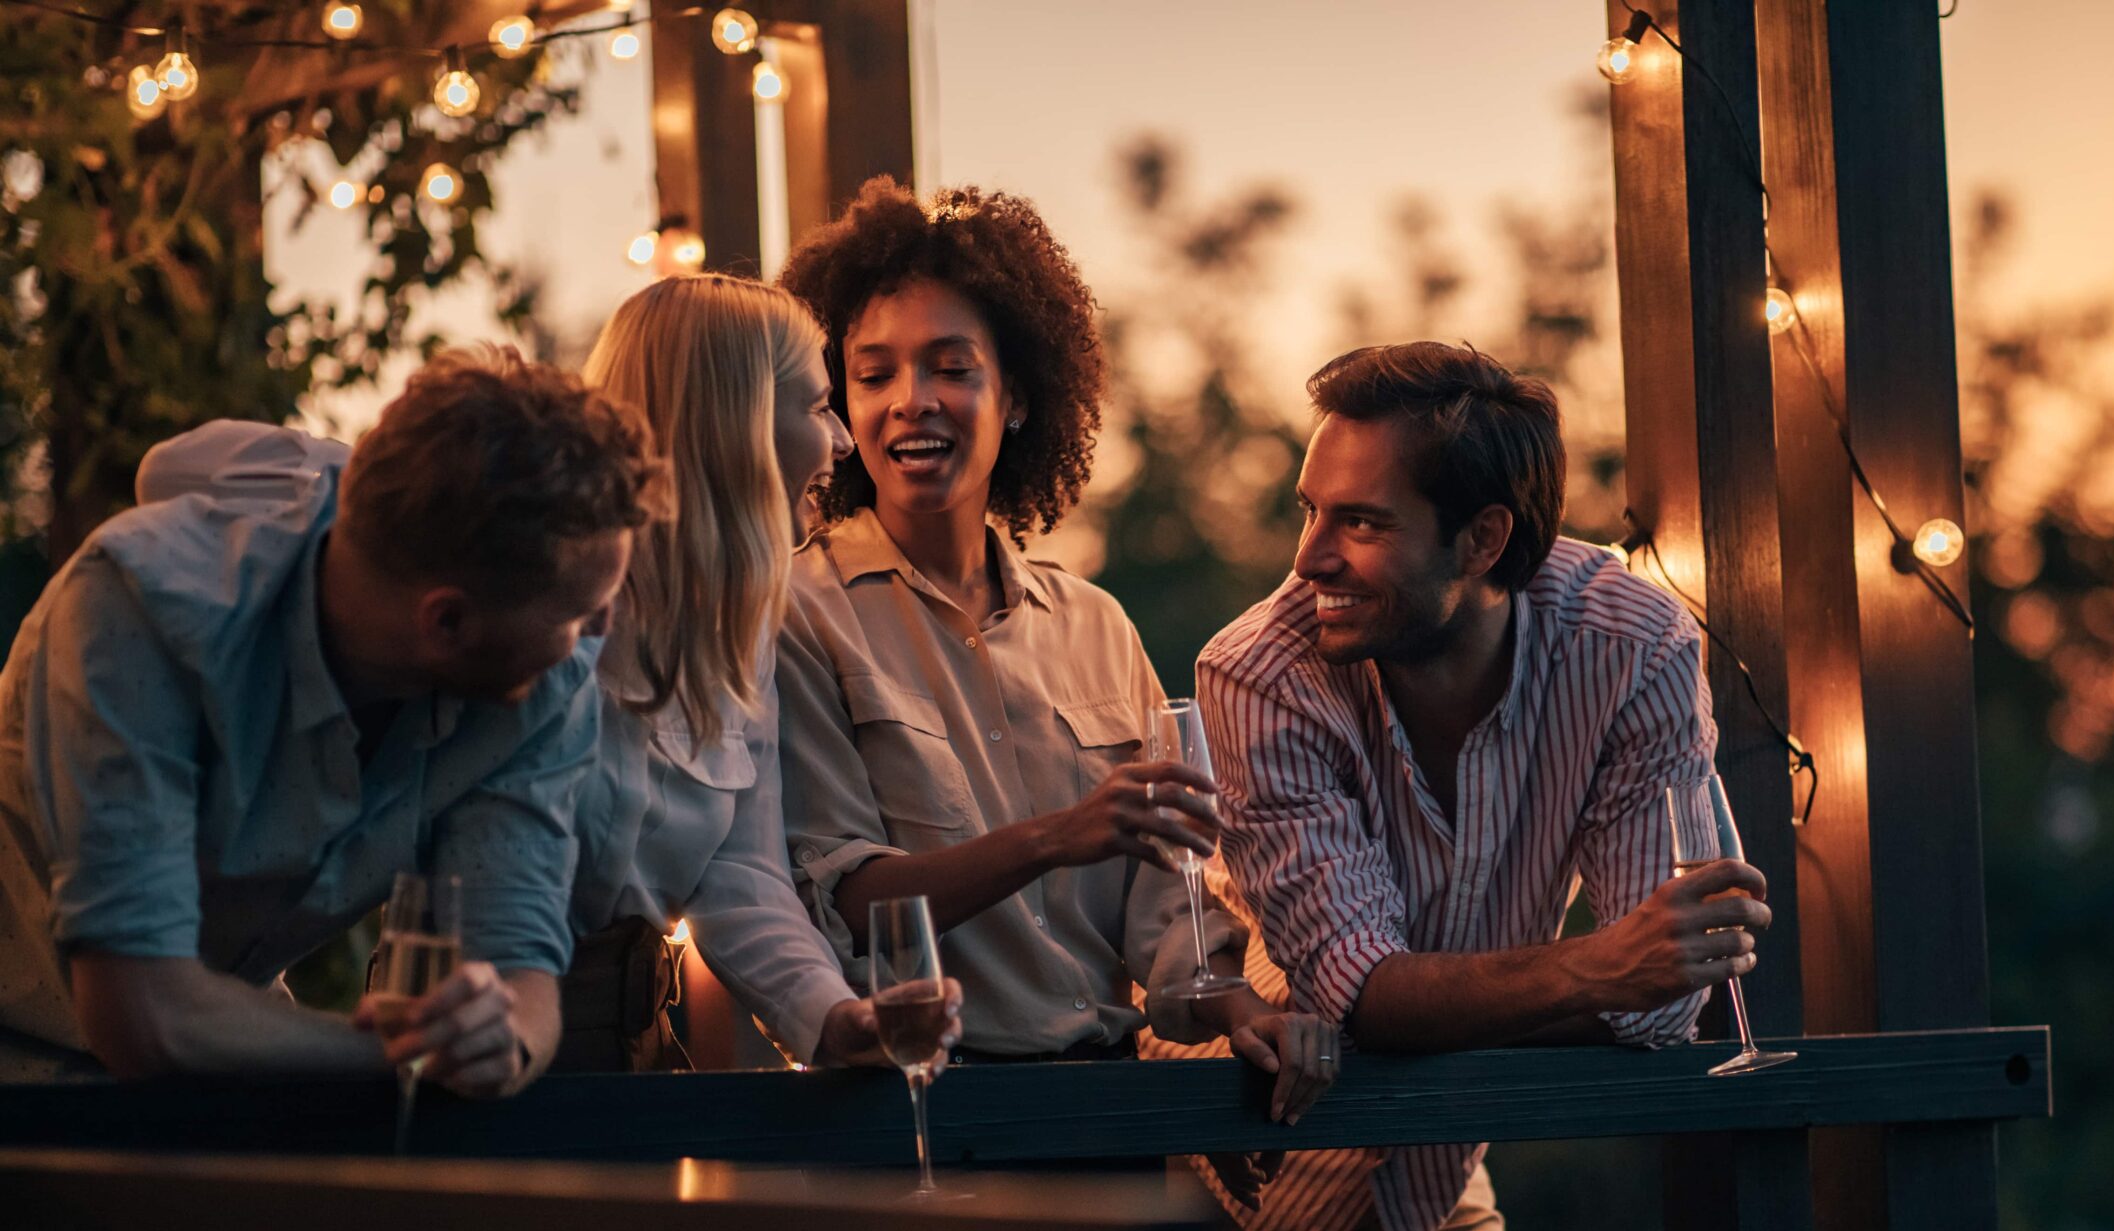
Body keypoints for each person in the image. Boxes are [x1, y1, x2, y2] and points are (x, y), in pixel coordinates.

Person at [1189, 341, 1774, 1231]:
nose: (1307, 557)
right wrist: (1597, 970)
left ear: (1485, 540)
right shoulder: (1257, 674)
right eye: (1309, 512)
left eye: (1358, 523)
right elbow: (1361, 991)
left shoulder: (1634, 647)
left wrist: (1602, 981)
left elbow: (1664, 1001)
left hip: (1420, 1140)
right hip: (1216, 1118)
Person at [772, 177, 1332, 1113]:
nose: (912, 401)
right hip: (910, 1113)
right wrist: (1058, 838)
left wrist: (1241, 1007)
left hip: (1105, 1113)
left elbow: (1169, 913)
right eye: (873, 375)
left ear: (1018, 396)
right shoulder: (799, 612)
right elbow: (847, 906)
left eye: (951, 367)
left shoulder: (1095, 624)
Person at [0, 347, 666, 1090]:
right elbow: (143, 1010)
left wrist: (495, 1038)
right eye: (582, 612)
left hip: (226, 1062)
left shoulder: (535, 678)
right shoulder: (145, 613)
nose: (604, 627)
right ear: (445, 622)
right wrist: (405, 1064)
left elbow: (518, 970)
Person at [567, 273, 960, 1075]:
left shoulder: (739, 628)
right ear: (734, 421)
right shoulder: (553, 611)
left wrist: (836, 1018)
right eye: (819, 407)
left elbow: (742, 874)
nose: (844, 441)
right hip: (488, 1063)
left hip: (634, 1063)